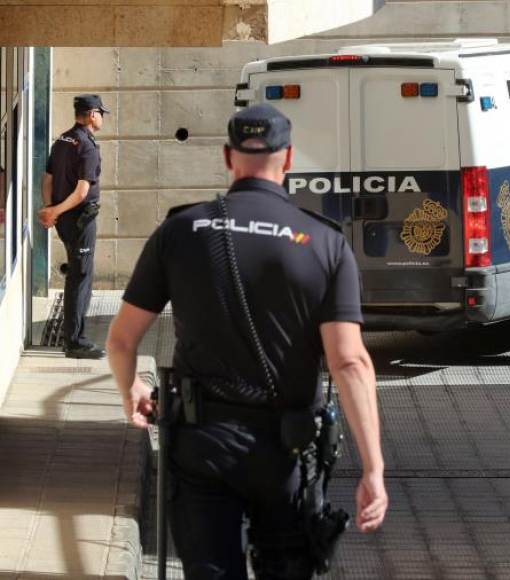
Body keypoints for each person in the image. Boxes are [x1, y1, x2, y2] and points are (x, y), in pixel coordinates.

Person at [106, 104, 387, 579]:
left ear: (227, 157)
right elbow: (351, 363)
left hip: (202, 445)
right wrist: (373, 469)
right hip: (287, 451)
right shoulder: (323, 243)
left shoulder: (180, 231)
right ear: (289, 158)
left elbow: (120, 340)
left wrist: (129, 388)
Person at [39, 94, 108, 359]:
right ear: (92, 114)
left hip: (64, 219)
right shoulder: (87, 146)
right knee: (80, 278)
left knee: (78, 276)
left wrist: (50, 210)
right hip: (80, 218)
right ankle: (75, 342)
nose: (101, 117)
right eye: (101, 113)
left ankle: (74, 337)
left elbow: (47, 178)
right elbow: (81, 192)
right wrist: (53, 211)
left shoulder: (62, 140)